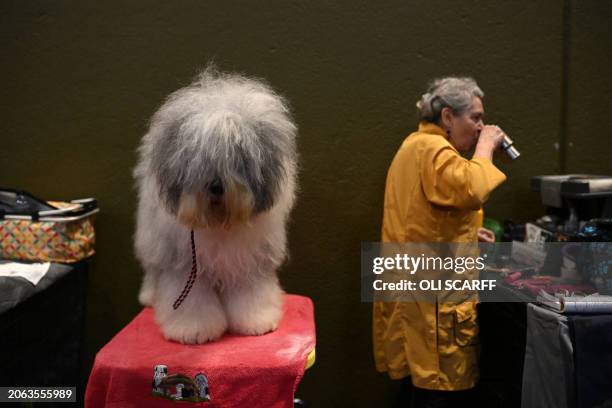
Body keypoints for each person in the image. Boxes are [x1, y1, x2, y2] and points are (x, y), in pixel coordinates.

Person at [372, 77, 507, 407]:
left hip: (414, 296)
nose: (481, 126)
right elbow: (472, 187)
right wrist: (486, 148)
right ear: (447, 116)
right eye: (475, 117)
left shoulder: (412, 146)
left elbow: (418, 217)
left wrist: (465, 233)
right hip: (434, 305)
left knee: (418, 389)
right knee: (439, 391)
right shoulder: (434, 149)